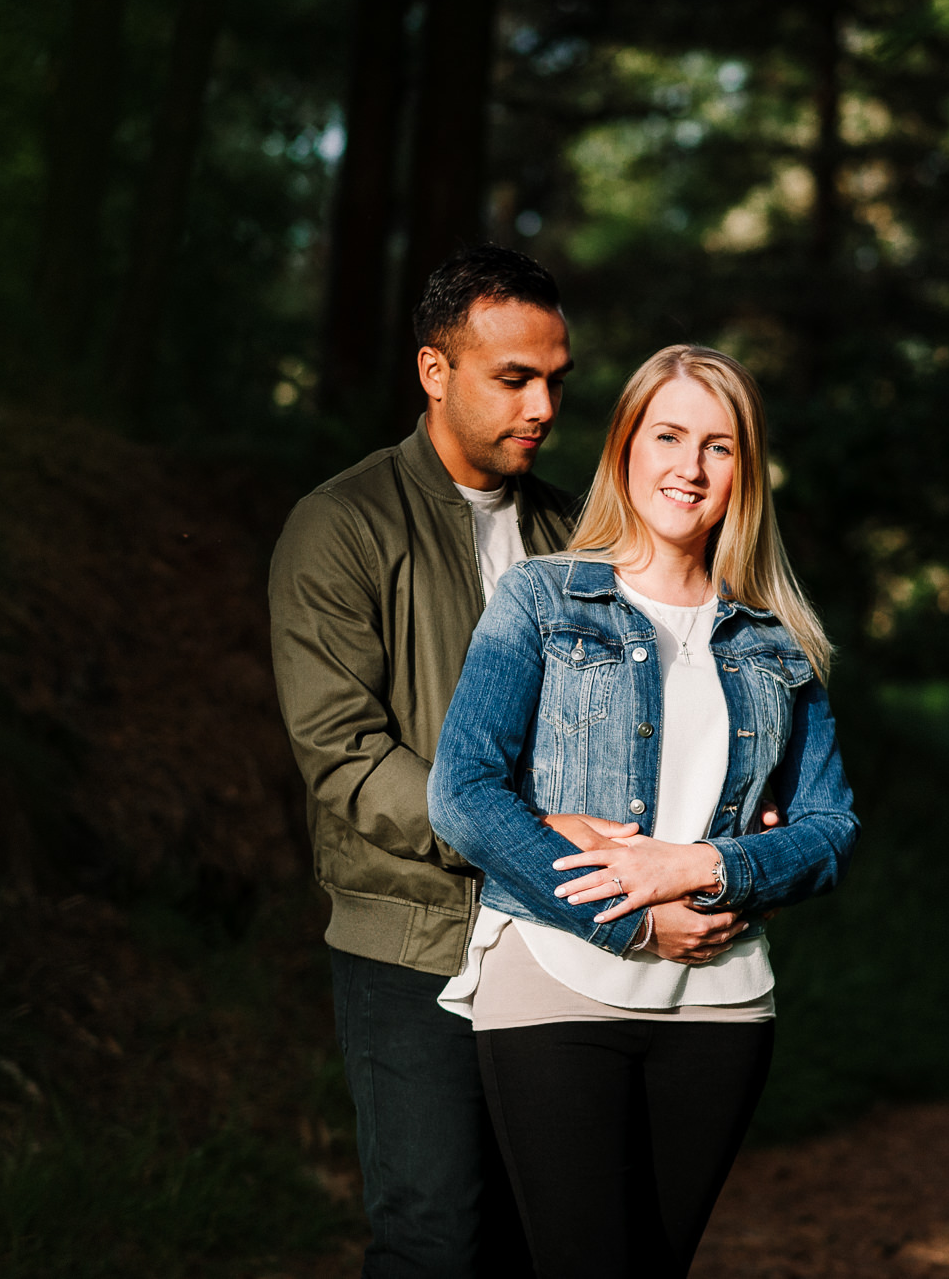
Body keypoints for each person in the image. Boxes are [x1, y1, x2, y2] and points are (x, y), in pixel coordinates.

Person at [270, 249, 751, 1276]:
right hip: (414, 935)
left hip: (561, 936)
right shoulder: (343, 527)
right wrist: (520, 838)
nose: (542, 404)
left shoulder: (581, 532)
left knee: (554, 1242)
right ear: (433, 372)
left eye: (557, 380)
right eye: (513, 378)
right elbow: (344, 756)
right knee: (439, 1240)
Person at [425, 344, 860, 1278]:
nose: (690, 468)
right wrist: (633, 924)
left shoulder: (779, 638)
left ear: (747, 468)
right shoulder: (541, 598)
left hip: (723, 1000)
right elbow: (461, 792)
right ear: (625, 447)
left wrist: (701, 869)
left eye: (719, 445)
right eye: (668, 435)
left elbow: (832, 831)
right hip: (554, 980)